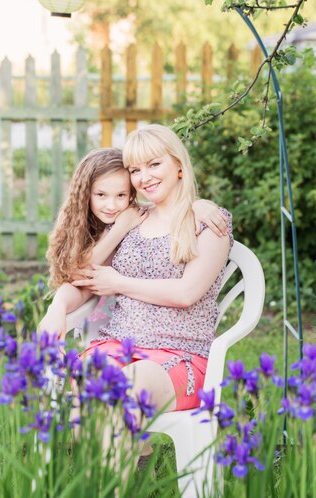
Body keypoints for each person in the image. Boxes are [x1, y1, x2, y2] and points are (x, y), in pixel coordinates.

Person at [42, 124, 233, 424]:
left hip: (179, 353)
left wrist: (119, 282)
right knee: (88, 383)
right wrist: (58, 308)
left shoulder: (208, 222)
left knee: (122, 386)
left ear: (179, 166)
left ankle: (119, 467)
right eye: (135, 170)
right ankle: (121, 467)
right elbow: (84, 279)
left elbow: (186, 293)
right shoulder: (133, 220)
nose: (144, 178)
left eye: (154, 164)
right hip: (117, 344)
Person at [40, 145, 229, 338]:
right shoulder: (115, 222)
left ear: (131, 193)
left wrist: (197, 205)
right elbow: (81, 274)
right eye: (101, 195)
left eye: (121, 195)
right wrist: (57, 307)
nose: (111, 205)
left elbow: (185, 293)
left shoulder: (132, 217)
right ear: (84, 195)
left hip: (169, 337)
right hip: (118, 332)